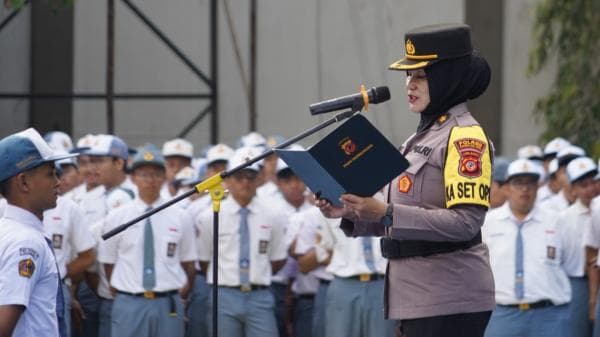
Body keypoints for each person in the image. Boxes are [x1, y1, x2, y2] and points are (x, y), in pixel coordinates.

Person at [318, 23, 495, 337]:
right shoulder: (420, 137)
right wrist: (350, 210)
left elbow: (467, 222)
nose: (410, 85)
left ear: (447, 79)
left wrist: (385, 212)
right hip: (415, 296)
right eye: (408, 75)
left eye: (421, 76)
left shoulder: (464, 137)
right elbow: (402, 218)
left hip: (449, 297)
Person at [98, 144, 197, 337]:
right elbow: (108, 263)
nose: (150, 180)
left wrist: (178, 293)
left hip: (167, 301)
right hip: (130, 301)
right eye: (144, 174)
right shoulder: (118, 216)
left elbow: (188, 264)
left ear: (165, 177)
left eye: (156, 174)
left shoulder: (180, 216)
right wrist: (125, 289)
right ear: (133, 178)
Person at [196, 147, 287, 337]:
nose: (245, 182)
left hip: (259, 294)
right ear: (228, 180)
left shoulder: (274, 215)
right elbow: (205, 260)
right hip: (224, 294)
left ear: (259, 179)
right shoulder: (211, 215)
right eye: (239, 177)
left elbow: (277, 259)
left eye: (251, 176)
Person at [0, 128, 78, 337]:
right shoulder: (25, 242)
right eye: (50, 173)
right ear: (23, 182)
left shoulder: (7, 230)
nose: (58, 182)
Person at [483, 159, 571, 337]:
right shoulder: (488, 223)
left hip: (548, 316)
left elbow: (568, 263)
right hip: (502, 315)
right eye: (518, 183)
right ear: (507, 188)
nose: (525, 189)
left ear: (538, 186)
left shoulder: (556, 221)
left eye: (530, 183)